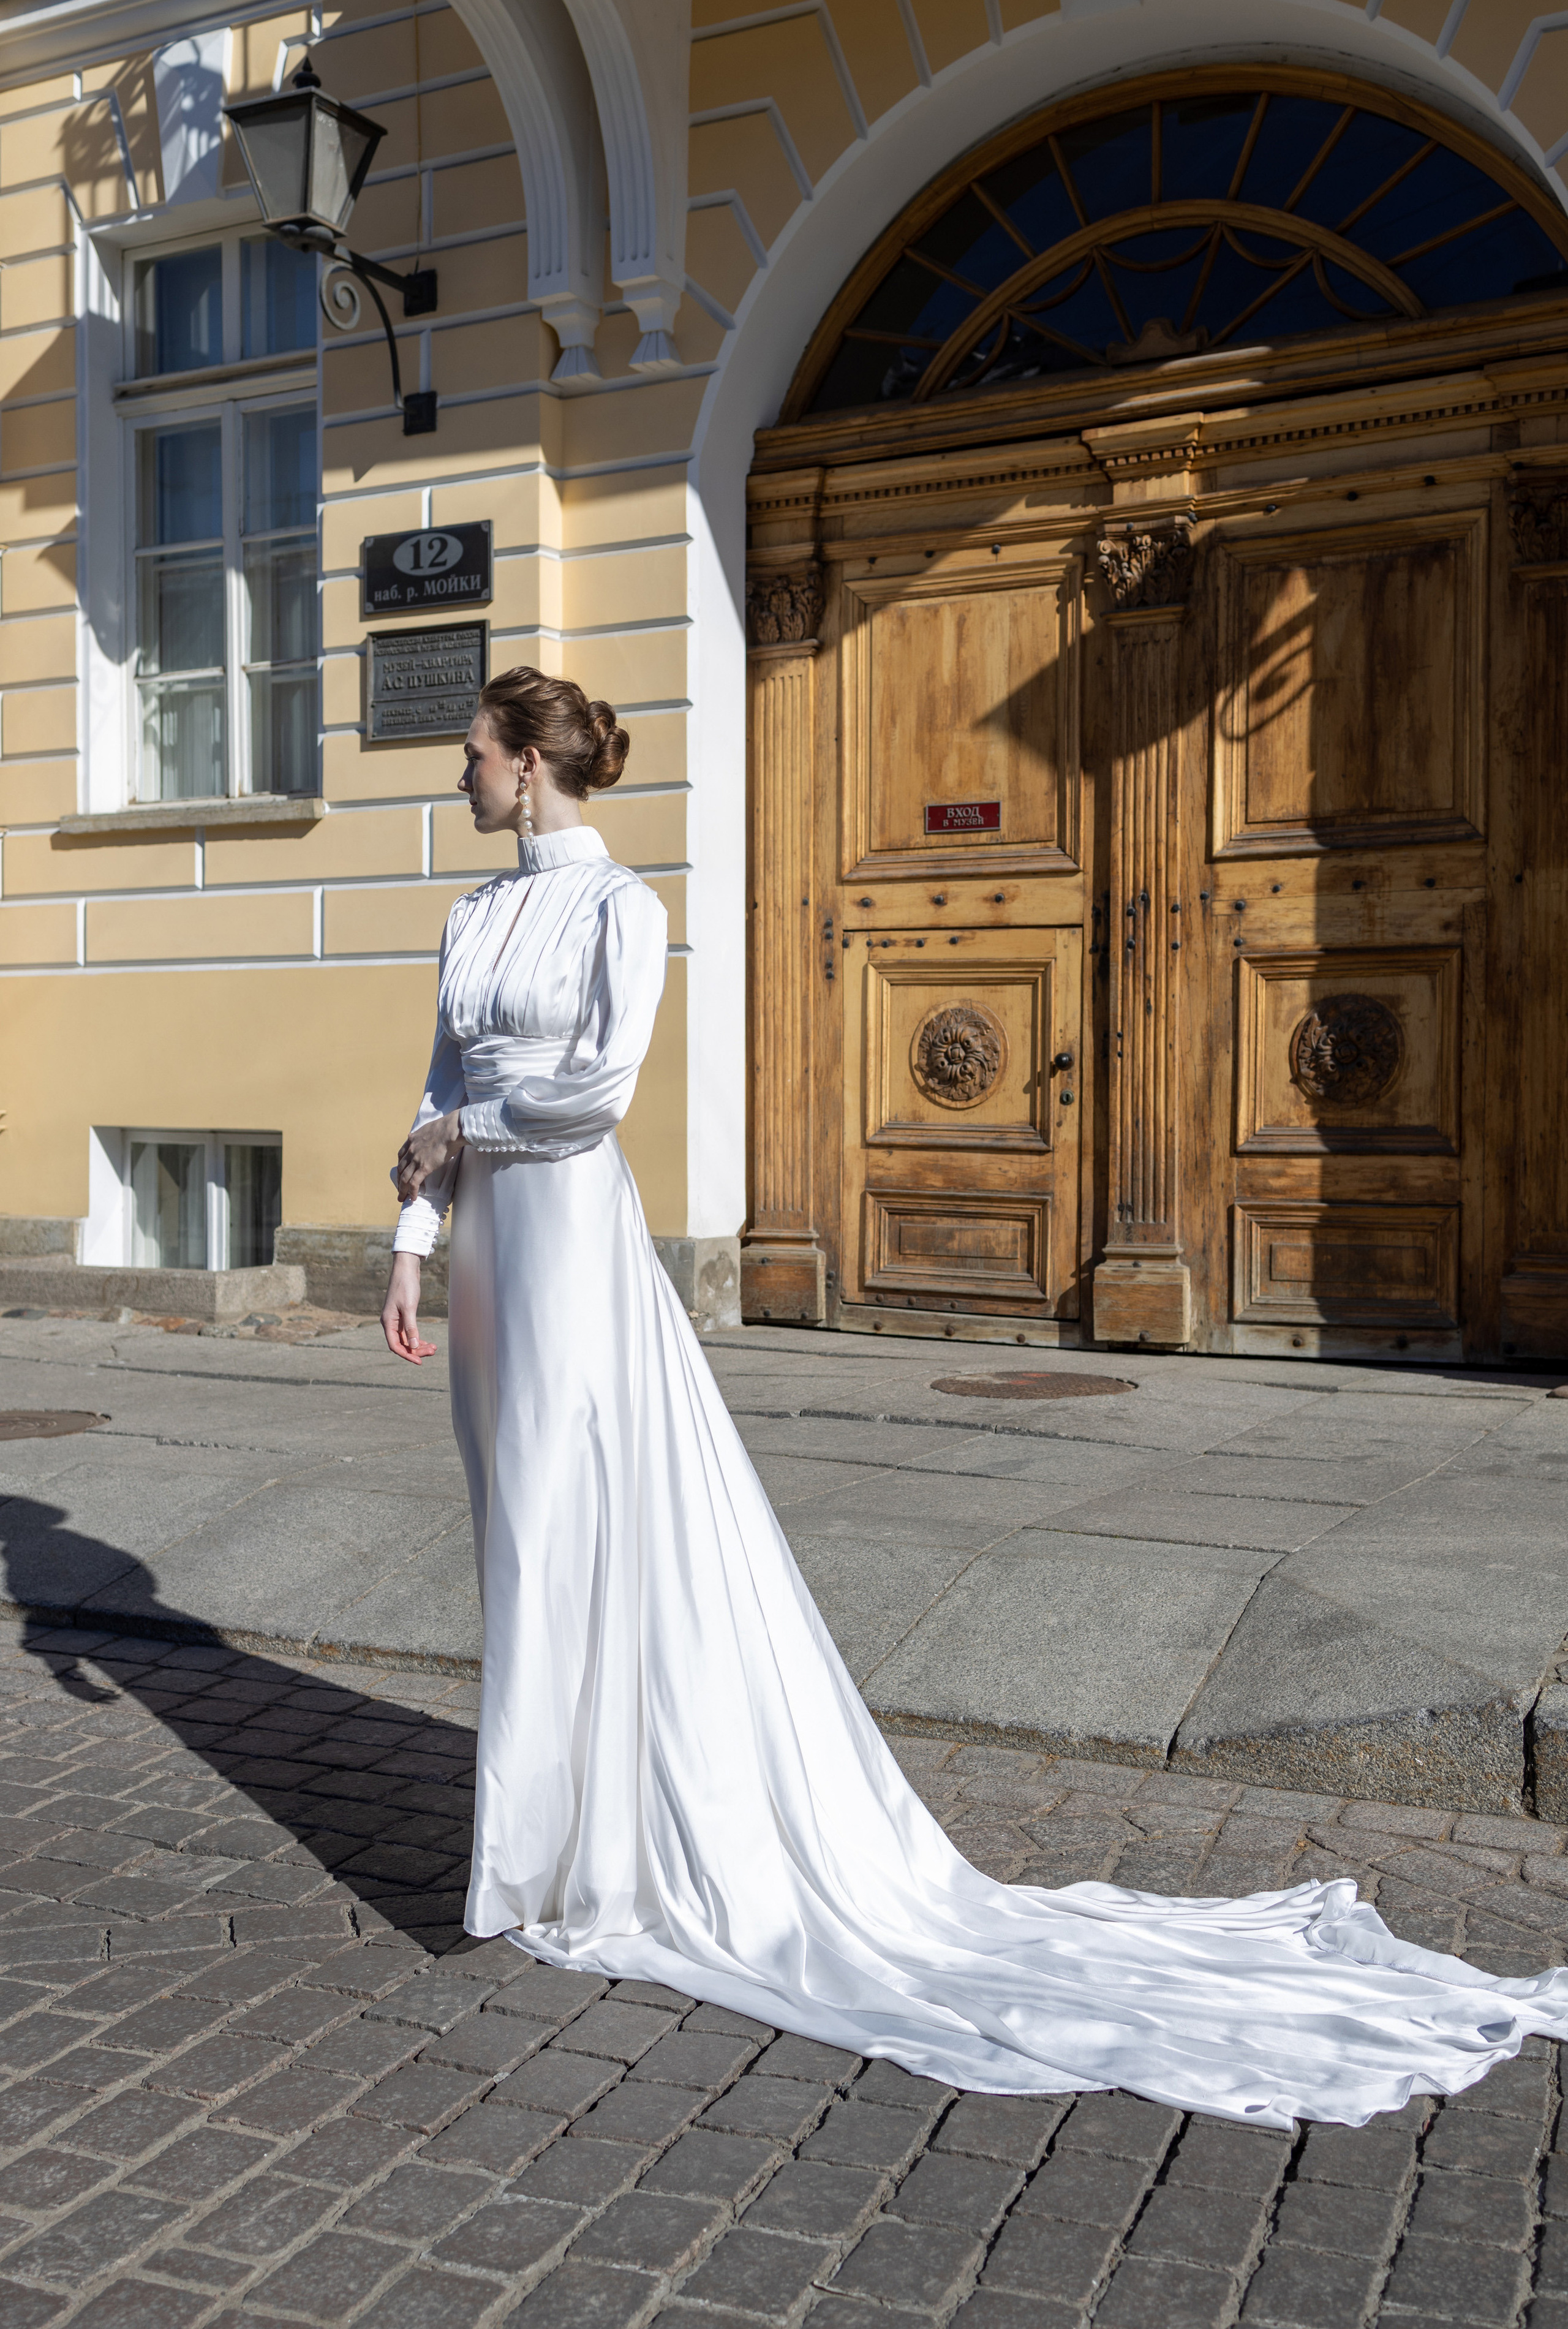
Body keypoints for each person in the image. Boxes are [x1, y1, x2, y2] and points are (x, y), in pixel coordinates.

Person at [384, 665, 1568, 2129]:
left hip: (568, 1235)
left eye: (472, 753)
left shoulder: (621, 908)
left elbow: (595, 1094)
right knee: (516, 1533)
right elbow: (437, 1080)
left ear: (528, 763)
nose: (459, 774)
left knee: (577, 1515)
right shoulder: (473, 913)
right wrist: (412, 1243)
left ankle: (586, 1849)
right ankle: (550, 1835)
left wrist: (465, 1133)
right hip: (488, 1252)